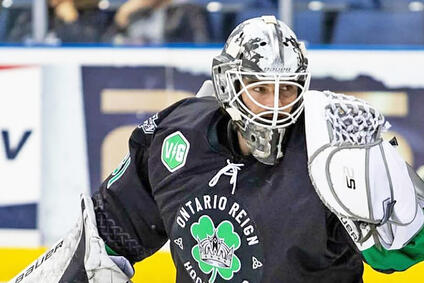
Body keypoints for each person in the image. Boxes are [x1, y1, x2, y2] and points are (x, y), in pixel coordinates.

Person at [10, 15, 424, 283]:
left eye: (287, 90)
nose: (276, 105)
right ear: (229, 84)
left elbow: (398, 258)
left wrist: (398, 196)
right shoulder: (177, 138)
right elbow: (108, 237)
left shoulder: (334, 155)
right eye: (261, 89)